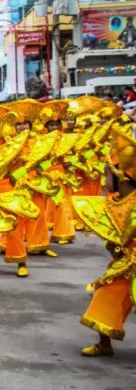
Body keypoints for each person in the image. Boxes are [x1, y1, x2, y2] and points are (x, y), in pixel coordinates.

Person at [74, 125, 136, 356]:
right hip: (127, 264)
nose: (105, 180)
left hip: (131, 263)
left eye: (108, 175)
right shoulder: (119, 201)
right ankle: (104, 344)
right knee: (105, 294)